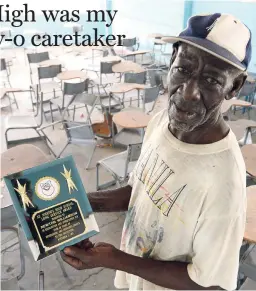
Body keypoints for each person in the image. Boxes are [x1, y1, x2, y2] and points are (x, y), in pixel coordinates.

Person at [61, 13, 252, 290]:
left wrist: (116, 259)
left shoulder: (225, 182)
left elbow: (210, 284)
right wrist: (82, 202)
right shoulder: (163, 120)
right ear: (173, 57)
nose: (188, 93)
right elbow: (142, 191)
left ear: (234, 86)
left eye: (211, 81)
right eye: (183, 70)